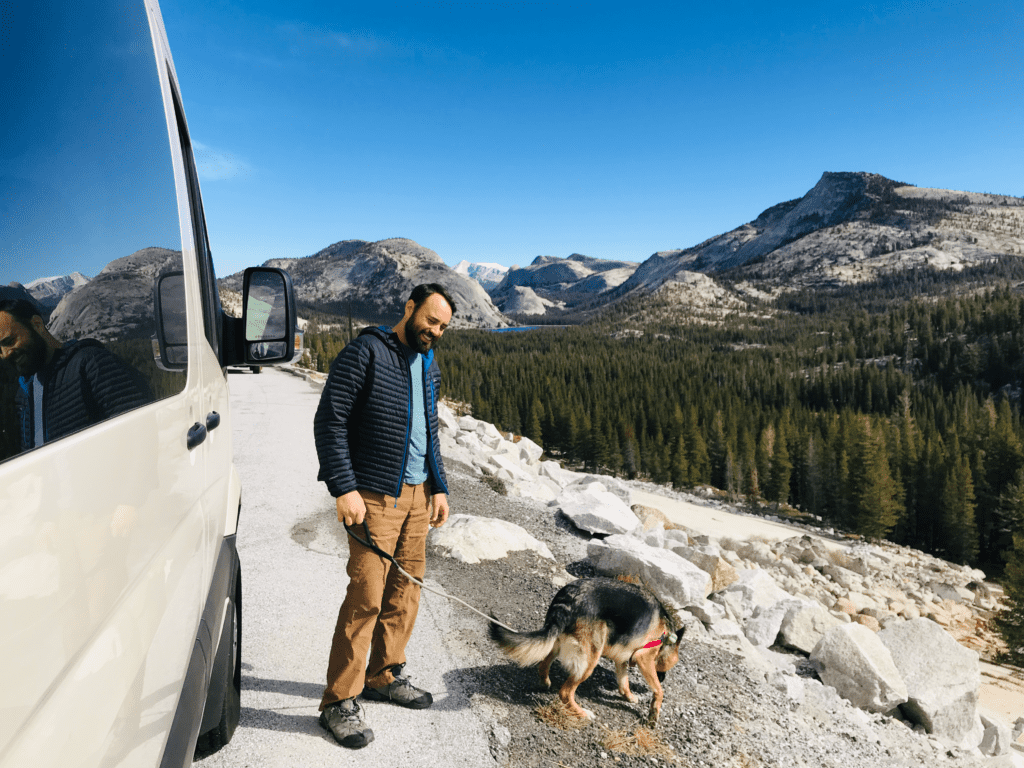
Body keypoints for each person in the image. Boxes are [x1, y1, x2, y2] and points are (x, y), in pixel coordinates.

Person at [313, 283, 456, 749]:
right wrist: (344, 487)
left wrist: (439, 487)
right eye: (431, 320)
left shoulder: (428, 365)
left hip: (417, 497)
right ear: (409, 307)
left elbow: (429, 432)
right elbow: (329, 419)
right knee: (366, 597)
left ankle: (384, 673)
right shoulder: (368, 352)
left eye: (443, 327)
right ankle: (339, 701)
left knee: (406, 591)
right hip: (373, 497)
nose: (435, 331)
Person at [0, 298, 153, 451]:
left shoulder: (91, 364)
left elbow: (141, 434)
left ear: (37, 325)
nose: (5, 354)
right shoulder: (24, 392)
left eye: (10, 341)